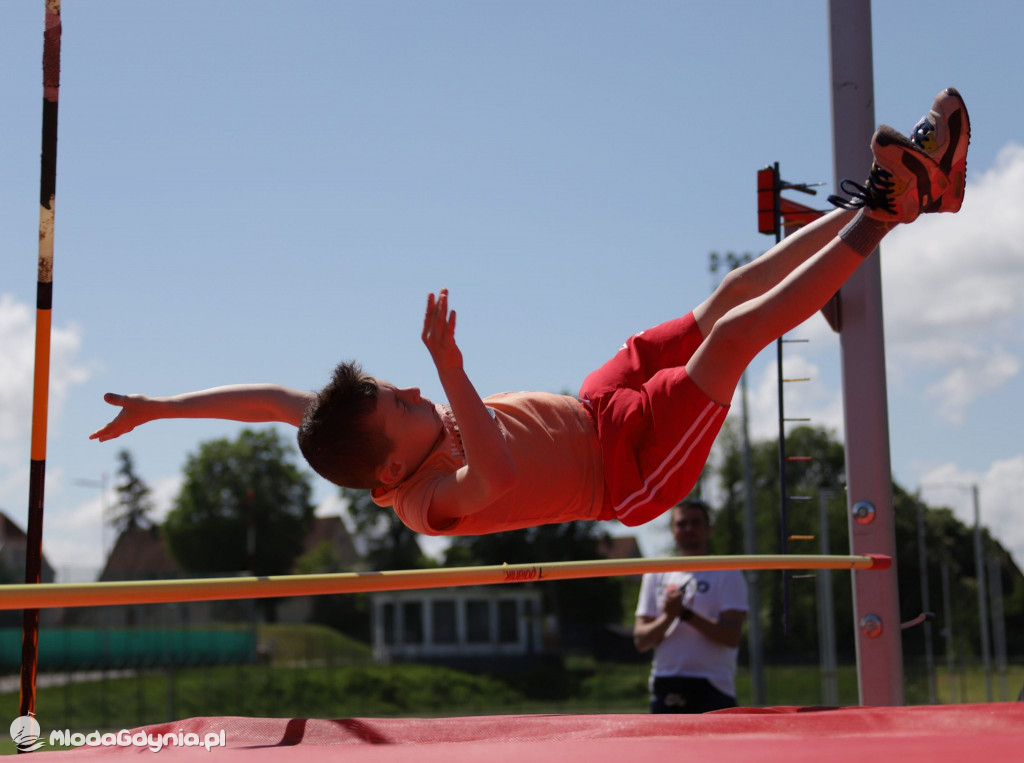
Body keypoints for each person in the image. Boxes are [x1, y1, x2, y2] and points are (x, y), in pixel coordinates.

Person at [91, 89, 970, 539]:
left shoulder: (369, 439)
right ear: (389, 465)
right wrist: (451, 372)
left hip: (595, 406)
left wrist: (165, 407)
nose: (409, 394)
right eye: (402, 406)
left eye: (400, 388)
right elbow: (499, 478)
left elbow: (275, 399)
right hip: (627, 472)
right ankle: (887, 210)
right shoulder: (423, 501)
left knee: (718, 307)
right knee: (738, 340)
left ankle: (894, 199)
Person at [633, 499, 747, 713]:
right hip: (666, 681)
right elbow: (641, 640)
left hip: (713, 683)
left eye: (696, 523)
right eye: (681, 524)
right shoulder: (656, 573)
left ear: (708, 529)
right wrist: (668, 617)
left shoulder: (727, 571)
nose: (688, 529)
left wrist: (685, 615)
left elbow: (731, 636)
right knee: (667, 747)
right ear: (672, 530)